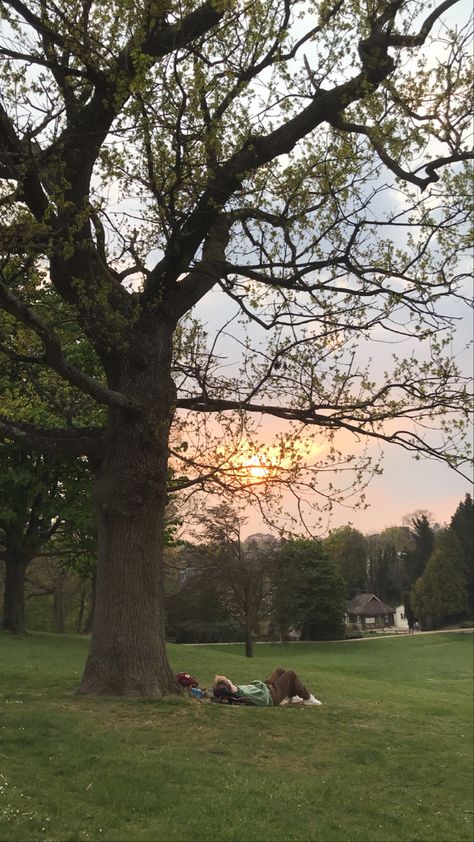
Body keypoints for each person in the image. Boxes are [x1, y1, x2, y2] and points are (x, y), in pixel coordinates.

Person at [212, 668, 321, 707]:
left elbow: (253, 688)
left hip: (266, 688)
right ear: (228, 684)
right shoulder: (240, 693)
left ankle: (290, 697)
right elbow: (263, 699)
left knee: (280, 671)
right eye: (226, 678)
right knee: (291, 674)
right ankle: (308, 698)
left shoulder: (236, 691)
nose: (228, 678)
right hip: (271, 695)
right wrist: (265, 686)